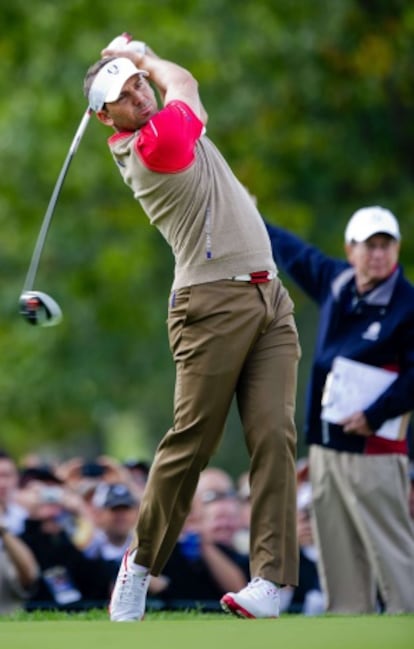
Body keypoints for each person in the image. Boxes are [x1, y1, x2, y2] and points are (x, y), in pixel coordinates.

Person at [83, 36, 300, 621]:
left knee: (274, 436)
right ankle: (139, 566)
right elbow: (187, 84)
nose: (140, 95)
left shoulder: (157, 121)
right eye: (125, 96)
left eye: (138, 84)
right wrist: (147, 55)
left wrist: (135, 60)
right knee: (191, 445)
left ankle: (272, 580)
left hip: (269, 298)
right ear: (106, 118)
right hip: (210, 305)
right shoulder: (153, 145)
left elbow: (174, 87)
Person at [266, 205, 414, 613]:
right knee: (337, 553)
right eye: (370, 245)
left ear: (396, 250)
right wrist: (247, 211)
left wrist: (375, 414)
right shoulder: (338, 281)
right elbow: (291, 251)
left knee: (393, 552)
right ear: (351, 250)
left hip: (375, 450)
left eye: (386, 245)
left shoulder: (408, 303)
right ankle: (350, 625)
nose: (378, 254)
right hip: (326, 448)